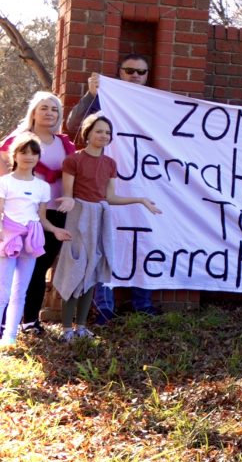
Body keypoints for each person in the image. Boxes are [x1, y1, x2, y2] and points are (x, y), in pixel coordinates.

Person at [68, 53, 160, 320]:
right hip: (102, 183)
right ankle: (104, 308)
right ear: (119, 72)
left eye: (140, 72)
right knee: (104, 244)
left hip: (145, 183)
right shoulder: (102, 100)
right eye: (129, 70)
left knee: (143, 240)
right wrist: (91, 95)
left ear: (147, 76)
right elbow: (75, 125)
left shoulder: (154, 104)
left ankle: (142, 304)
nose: (134, 75)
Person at [55, 115, 162, 341]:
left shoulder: (110, 164)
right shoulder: (73, 160)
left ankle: (82, 327)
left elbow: (110, 197)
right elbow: (68, 193)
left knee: (92, 273)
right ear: (88, 133)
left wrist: (140, 200)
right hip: (78, 217)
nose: (103, 136)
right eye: (99, 131)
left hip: (100, 217)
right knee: (74, 270)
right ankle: (66, 329)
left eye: (107, 132)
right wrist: (68, 201)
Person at [0, 91, 75, 336]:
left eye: (54, 109)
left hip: (52, 212)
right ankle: (5, 323)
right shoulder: (20, 139)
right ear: (34, 111)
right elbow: (2, 163)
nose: (49, 113)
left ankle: (30, 321)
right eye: (44, 108)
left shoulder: (64, 143)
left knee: (39, 266)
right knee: (10, 268)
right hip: (19, 216)